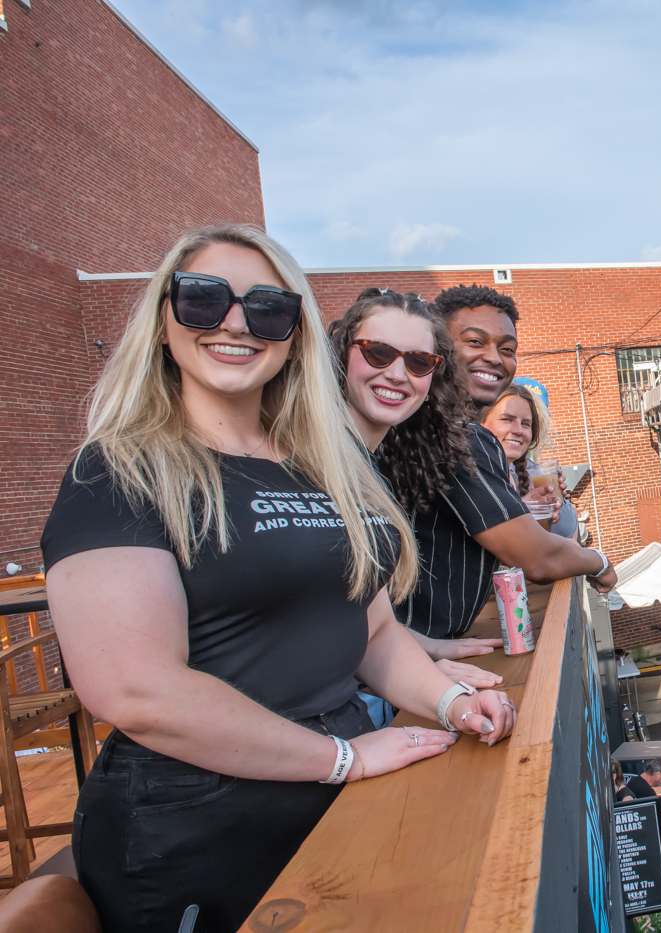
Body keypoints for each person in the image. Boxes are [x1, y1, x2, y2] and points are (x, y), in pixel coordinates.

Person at [40, 225, 516, 933]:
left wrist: (449, 702)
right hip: (199, 827)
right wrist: (341, 757)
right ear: (164, 320)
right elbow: (137, 693)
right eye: (204, 299)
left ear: (294, 337)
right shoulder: (116, 470)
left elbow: (370, 632)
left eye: (267, 307)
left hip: (336, 796)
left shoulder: (323, 465)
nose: (236, 322)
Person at [396, 283, 617, 648]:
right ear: (439, 346)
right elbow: (540, 560)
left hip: (418, 646)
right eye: (475, 341)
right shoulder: (453, 436)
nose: (495, 358)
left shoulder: (435, 426)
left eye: (507, 349)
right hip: (402, 658)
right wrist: (600, 563)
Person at [330, 287, 506, 726]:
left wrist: (428, 651)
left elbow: (361, 618)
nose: (397, 374)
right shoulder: (312, 461)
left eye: (418, 362)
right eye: (377, 353)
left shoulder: (368, 462)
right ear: (341, 356)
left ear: (433, 380)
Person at [479, 383, 580, 540]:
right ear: (480, 423)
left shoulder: (526, 471)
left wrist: (556, 502)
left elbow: (566, 531)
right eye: (507, 419)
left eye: (525, 424)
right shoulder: (469, 473)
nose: (519, 430)